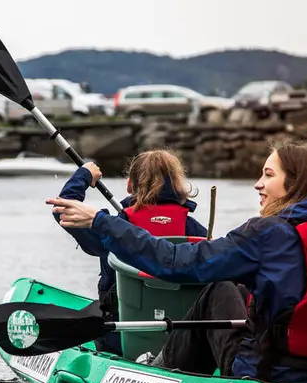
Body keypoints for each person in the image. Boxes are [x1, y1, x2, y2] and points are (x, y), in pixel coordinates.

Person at [47, 142, 307, 383]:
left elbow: (174, 263)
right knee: (238, 288)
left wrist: (101, 221)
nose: (258, 184)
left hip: (263, 378)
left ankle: (157, 369)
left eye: (268, 175)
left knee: (219, 286)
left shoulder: (265, 235)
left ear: (293, 184)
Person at [52, 149, 208, 355]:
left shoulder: (113, 228)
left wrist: (84, 175)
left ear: (129, 186)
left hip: (120, 336)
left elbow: (63, 208)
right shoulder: (195, 232)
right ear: (179, 186)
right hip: (185, 340)